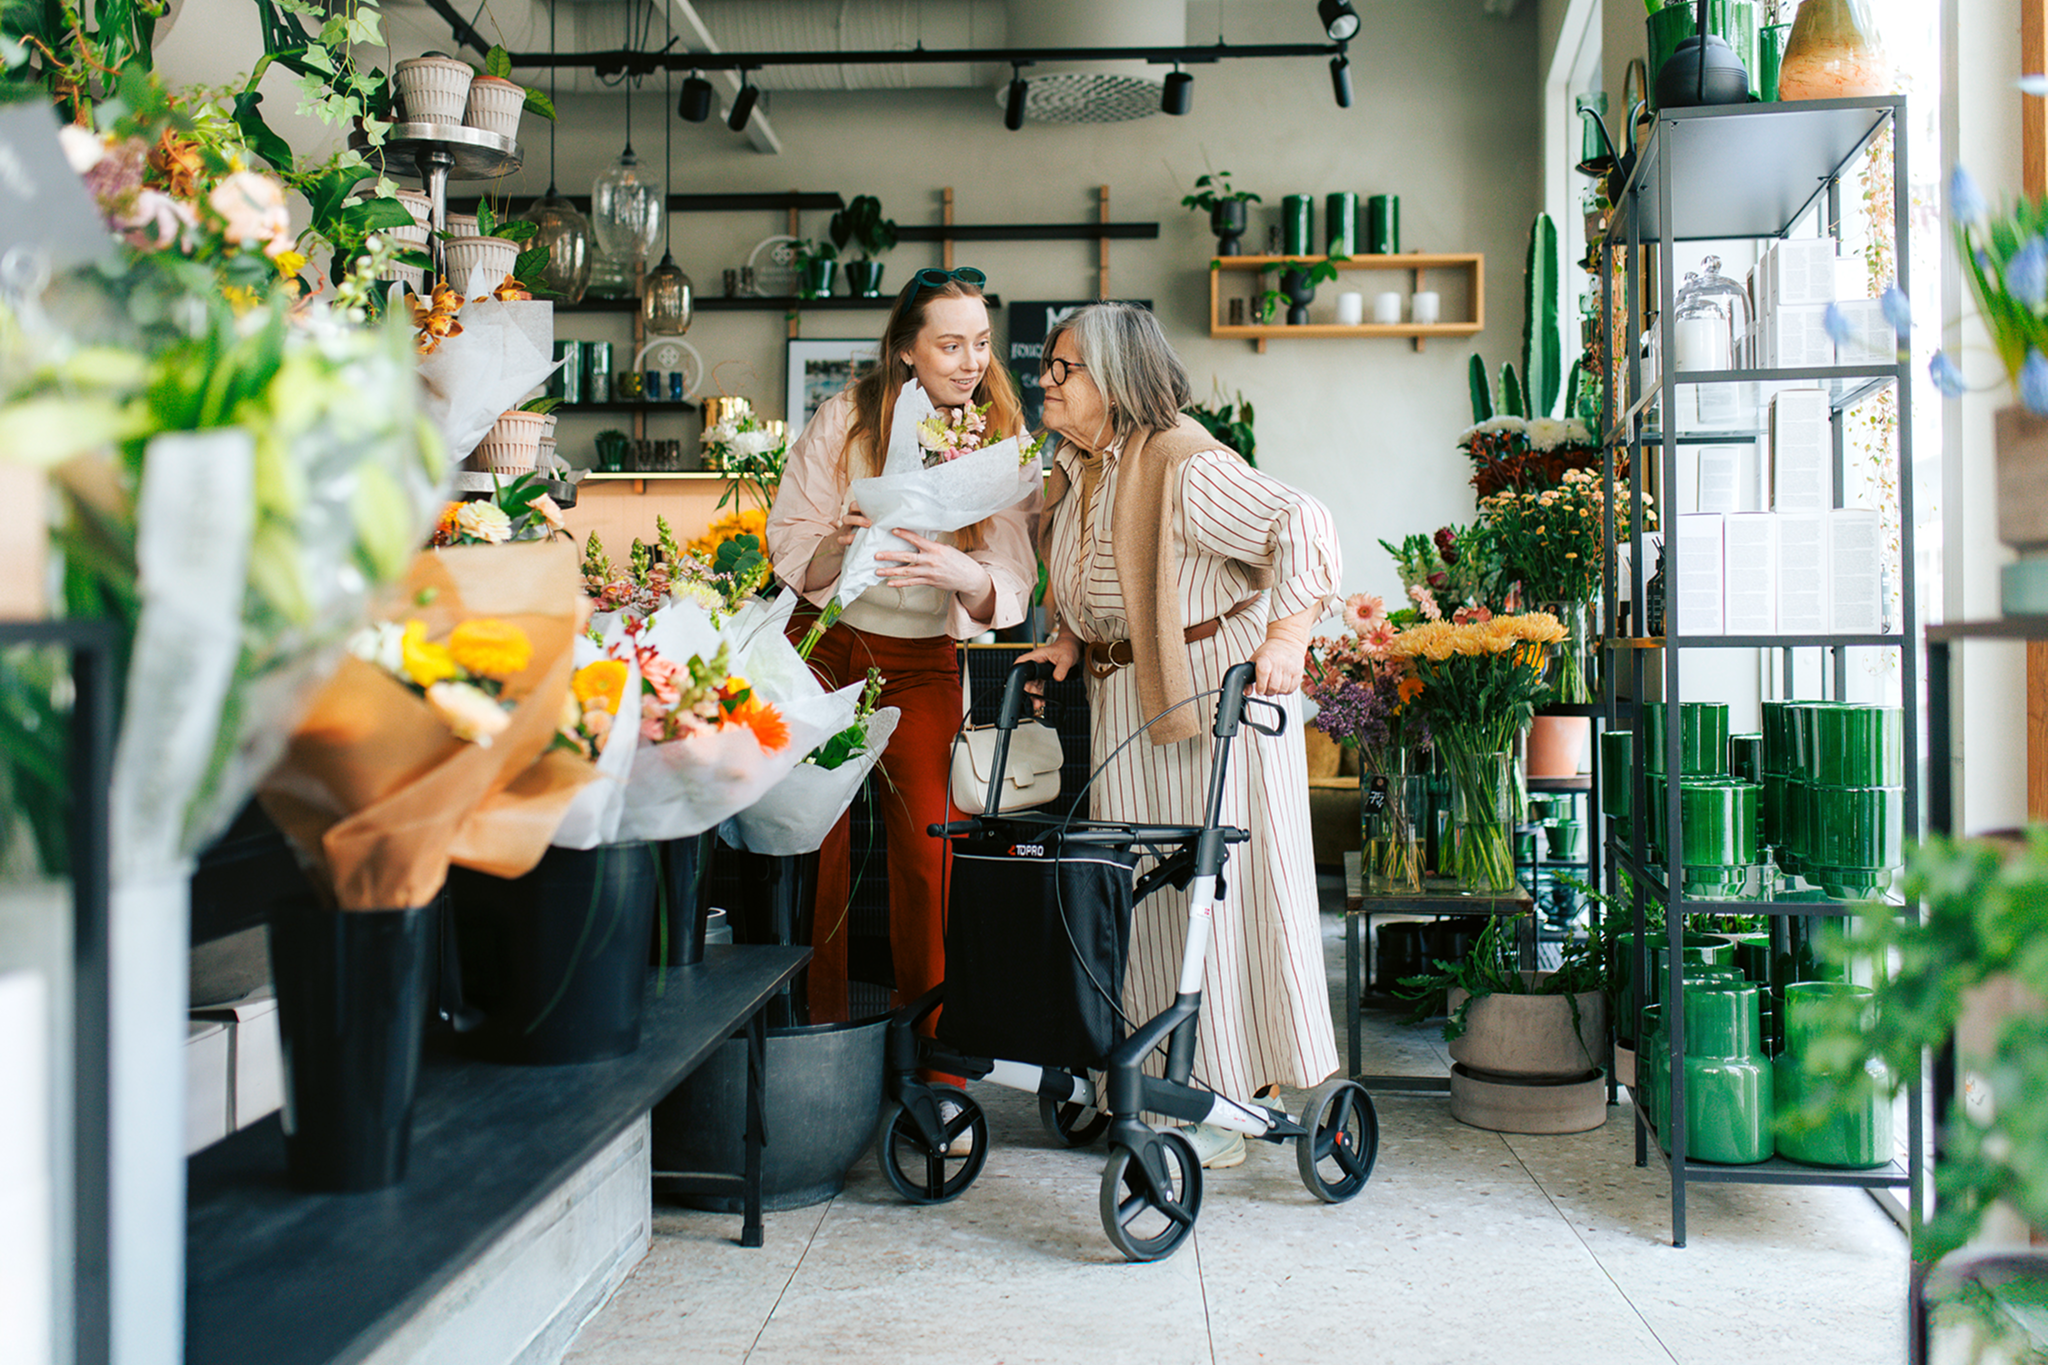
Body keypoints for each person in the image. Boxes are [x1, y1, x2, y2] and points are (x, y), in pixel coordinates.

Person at [1016, 301, 1340, 1169]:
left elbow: (1303, 522)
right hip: (1128, 698)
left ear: (1117, 382)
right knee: (1152, 902)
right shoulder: (1082, 468)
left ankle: (1226, 1092)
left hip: (1209, 701)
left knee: (1215, 899)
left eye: (1064, 368)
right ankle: (1159, 1072)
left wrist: (1286, 638)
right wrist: (1070, 638)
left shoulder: (1184, 463)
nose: (1045, 379)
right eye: (1048, 365)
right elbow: (1107, 577)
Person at [766, 266, 1040, 1040]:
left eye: (980, 344)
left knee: (930, 849)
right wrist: (841, 542)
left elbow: (1014, 576)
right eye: (949, 344)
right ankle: (811, 1036)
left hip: (921, 661)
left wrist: (968, 576)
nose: (969, 361)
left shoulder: (1004, 441)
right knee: (811, 840)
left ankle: (936, 1057)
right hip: (823, 643)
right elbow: (790, 547)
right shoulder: (844, 421)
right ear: (906, 352)